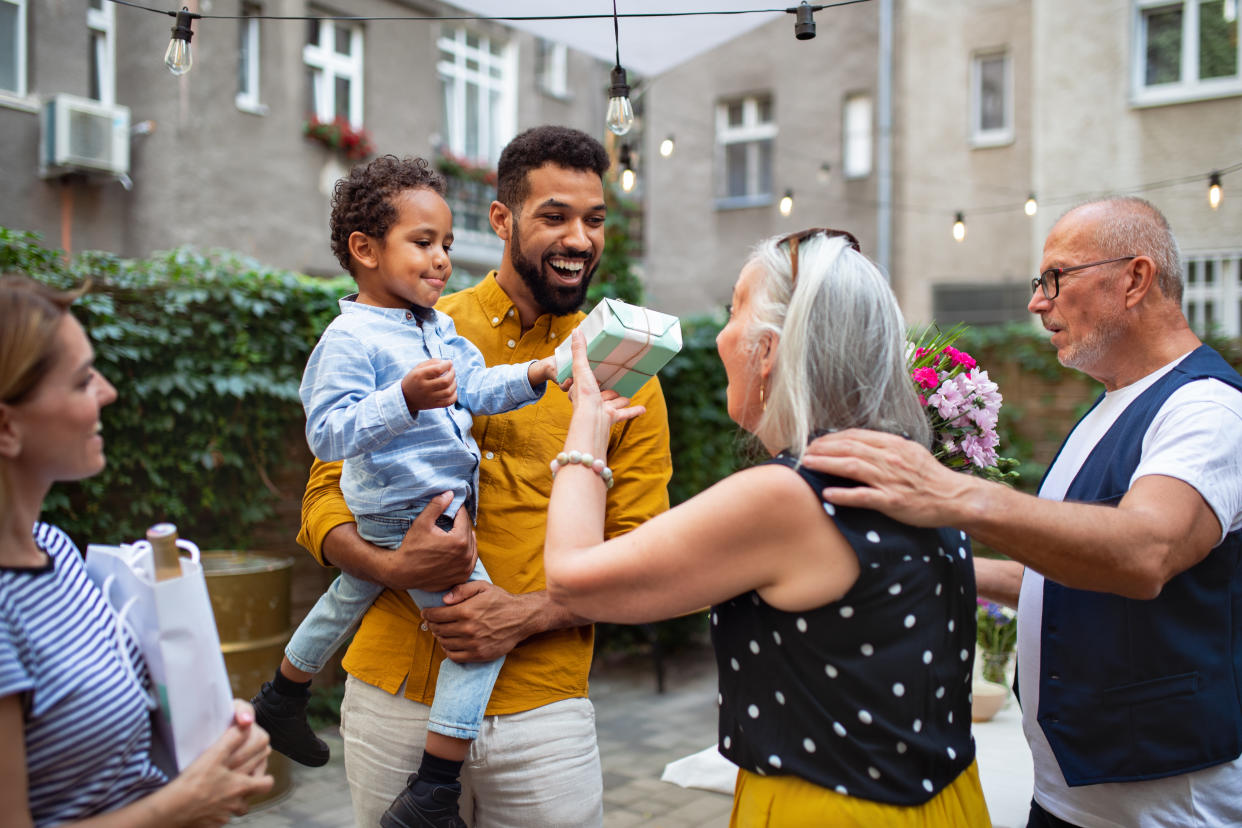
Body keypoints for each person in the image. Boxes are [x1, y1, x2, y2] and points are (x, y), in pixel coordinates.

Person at [802, 198, 1242, 828]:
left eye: (1055, 278)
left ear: (1136, 279)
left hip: (1165, 806)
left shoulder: (1206, 410)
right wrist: (927, 566)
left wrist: (950, 495)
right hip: (1071, 796)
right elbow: (1066, 578)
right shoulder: (1113, 404)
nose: (1038, 303)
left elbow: (1147, 551)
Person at [544, 229, 992, 827]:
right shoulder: (912, 471)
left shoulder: (787, 496)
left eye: (734, 310)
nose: (723, 334)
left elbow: (573, 579)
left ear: (767, 351)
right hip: (946, 804)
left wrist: (587, 429)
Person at [296, 125, 673, 827]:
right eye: (555, 216)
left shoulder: (624, 369)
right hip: (393, 692)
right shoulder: (411, 322)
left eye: (595, 220)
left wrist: (523, 614)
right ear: (501, 219)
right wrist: (390, 562)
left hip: (542, 704)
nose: (581, 239)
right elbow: (324, 494)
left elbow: (645, 553)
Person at [251, 156, 566, 827]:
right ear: (364, 251)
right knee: (481, 638)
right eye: (423, 243)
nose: (443, 260)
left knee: (345, 598)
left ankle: (282, 695)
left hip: (413, 506)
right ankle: (432, 790)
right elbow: (328, 436)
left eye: (447, 245)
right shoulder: (349, 337)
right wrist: (401, 399)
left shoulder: (436, 328)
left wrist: (537, 372)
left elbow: (480, 388)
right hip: (411, 511)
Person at [0, 275, 274, 827]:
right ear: (7, 427)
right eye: (82, 382)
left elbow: (123, 728)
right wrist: (184, 804)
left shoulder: (57, 554)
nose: (108, 391)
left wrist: (219, 733)